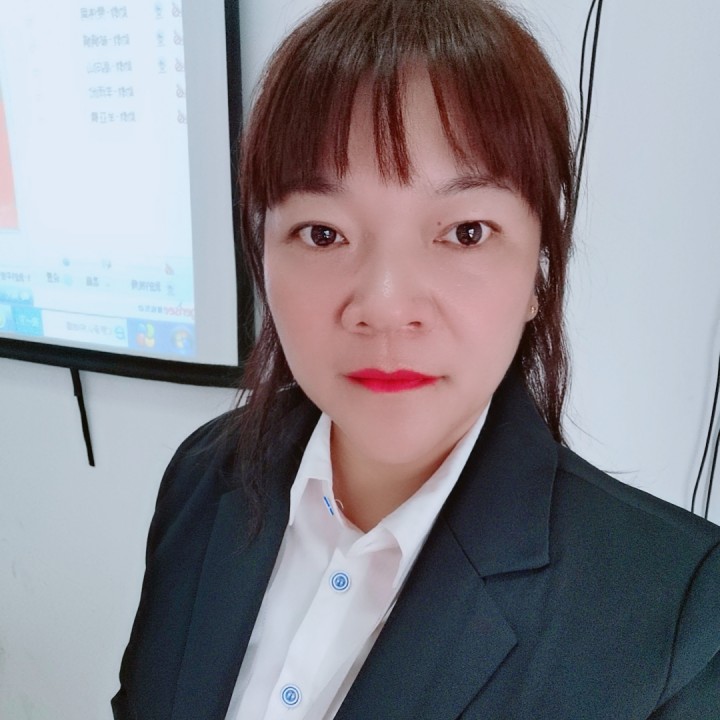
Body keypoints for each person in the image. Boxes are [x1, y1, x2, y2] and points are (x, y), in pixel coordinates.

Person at [112, 0, 720, 717]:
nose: (385, 305)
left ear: (539, 273)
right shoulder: (202, 475)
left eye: (466, 232)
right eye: (323, 233)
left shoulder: (679, 616)